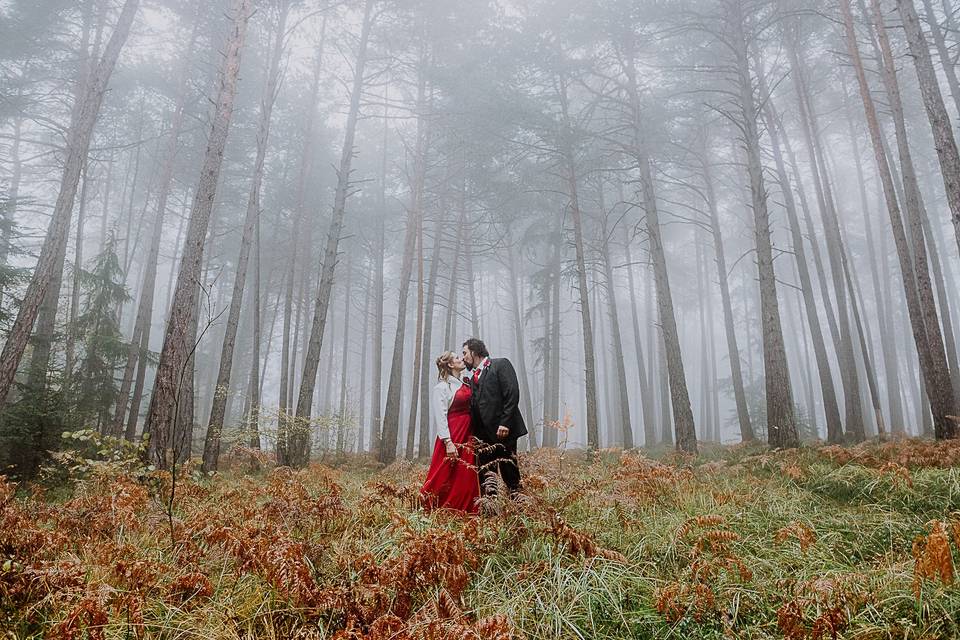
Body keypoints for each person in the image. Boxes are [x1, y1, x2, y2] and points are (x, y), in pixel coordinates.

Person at [461, 338, 526, 498]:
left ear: (474, 352)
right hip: (482, 438)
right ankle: (490, 514)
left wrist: (505, 423)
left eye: (465, 353)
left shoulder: (500, 364)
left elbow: (512, 393)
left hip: (503, 432)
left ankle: (520, 510)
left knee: (509, 472)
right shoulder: (472, 377)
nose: (463, 358)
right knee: (486, 477)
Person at [419, 351, 480, 513]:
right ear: (451, 365)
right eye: (458, 358)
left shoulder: (466, 384)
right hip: (453, 435)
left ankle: (466, 510)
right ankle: (437, 507)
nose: (462, 359)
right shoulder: (442, 388)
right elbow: (441, 416)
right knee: (446, 472)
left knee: (466, 474)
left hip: (468, 434)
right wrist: (448, 442)